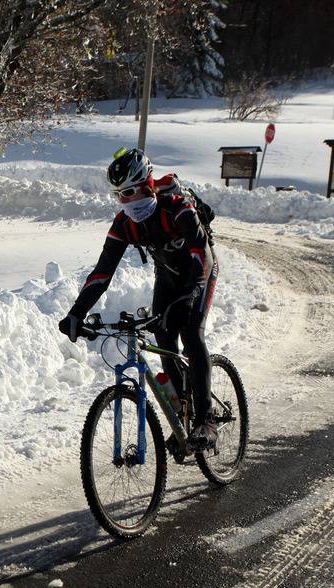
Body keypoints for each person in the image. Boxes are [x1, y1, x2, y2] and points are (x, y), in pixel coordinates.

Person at [58, 147, 220, 449]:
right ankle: (181, 415)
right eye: (120, 195)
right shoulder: (124, 224)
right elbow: (102, 273)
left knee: (191, 334)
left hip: (200, 272)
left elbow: (203, 255)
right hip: (168, 277)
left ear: (147, 183)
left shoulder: (177, 208)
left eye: (131, 191)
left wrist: (192, 293)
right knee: (164, 339)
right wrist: (76, 312)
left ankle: (205, 420)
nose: (127, 200)